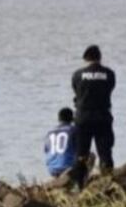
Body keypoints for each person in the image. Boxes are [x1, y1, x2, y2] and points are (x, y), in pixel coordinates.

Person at [70, 45, 116, 182]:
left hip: (83, 117)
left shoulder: (77, 74)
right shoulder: (109, 73)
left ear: (85, 59)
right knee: (105, 152)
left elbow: (76, 91)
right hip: (102, 116)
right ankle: (107, 181)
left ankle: (79, 184)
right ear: (100, 58)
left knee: (81, 153)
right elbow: (110, 88)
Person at [44, 107, 77, 177]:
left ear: (58, 119)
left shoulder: (49, 132)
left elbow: (46, 150)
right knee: (90, 156)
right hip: (68, 168)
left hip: (52, 169)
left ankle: (57, 177)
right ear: (72, 119)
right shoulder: (74, 130)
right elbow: (81, 149)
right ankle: (80, 181)